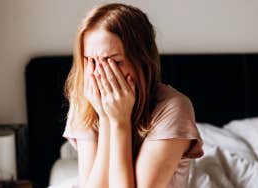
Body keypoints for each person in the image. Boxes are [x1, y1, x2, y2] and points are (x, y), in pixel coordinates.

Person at [62, 3, 203, 188]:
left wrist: (120, 122)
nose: (100, 74)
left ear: (142, 61)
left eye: (113, 62)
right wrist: (105, 118)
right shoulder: (85, 100)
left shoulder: (174, 107)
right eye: (91, 62)